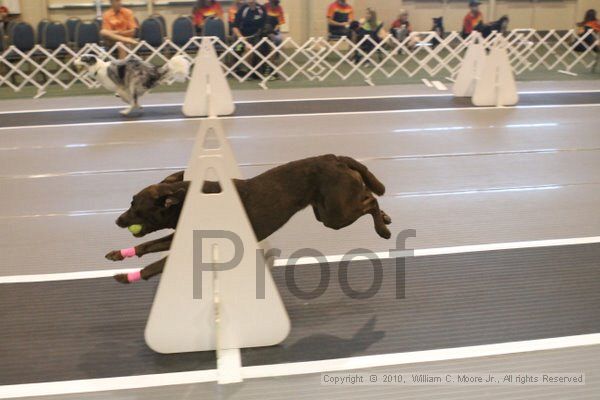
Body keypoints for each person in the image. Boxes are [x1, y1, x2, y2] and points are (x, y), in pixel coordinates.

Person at [232, 0, 267, 78]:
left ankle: (256, 70)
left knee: (262, 48)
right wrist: (241, 37)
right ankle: (236, 68)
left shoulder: (261, 9)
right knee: (238, 48)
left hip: (257, 37)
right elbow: (235, 27)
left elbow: (264, 25)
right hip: (243, 37)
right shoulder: (242, 9)